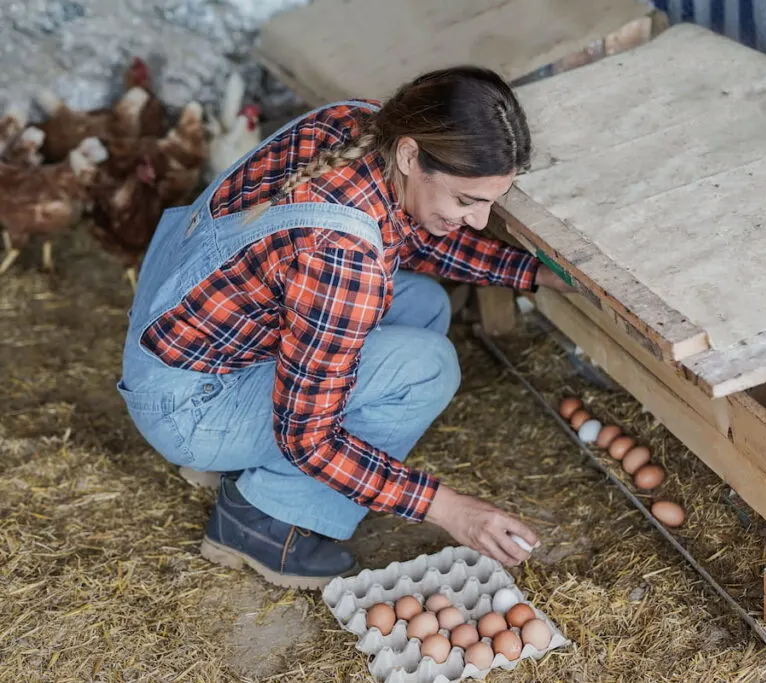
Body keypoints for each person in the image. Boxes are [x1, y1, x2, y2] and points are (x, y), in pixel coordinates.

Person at [116, 66, 573, 589]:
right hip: (188, 407)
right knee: (427, 370)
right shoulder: (342, 259)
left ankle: (235, 463)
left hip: (178, 341)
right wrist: (449, 509)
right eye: (467, 200)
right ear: (409, 156)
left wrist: (530, 274)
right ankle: (261, 521)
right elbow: (308, 439)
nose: (478, 218)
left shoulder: (358, 125)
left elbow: (407, 235)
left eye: (491, 200)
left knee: (422, 304)